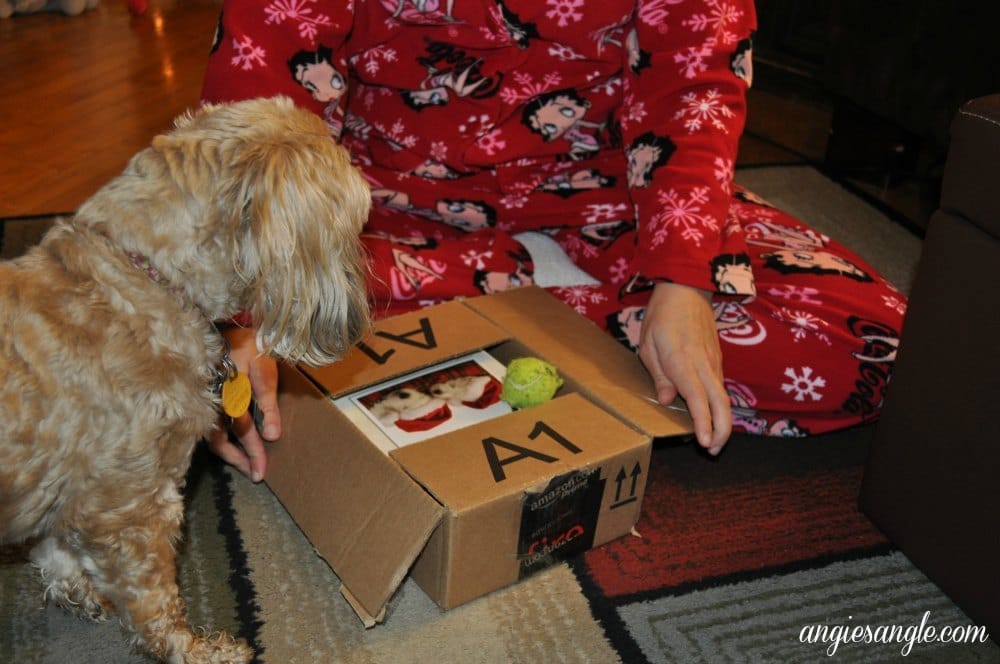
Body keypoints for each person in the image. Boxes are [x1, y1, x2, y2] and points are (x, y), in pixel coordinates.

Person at [200, 0, 906, 482]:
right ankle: (538, 314)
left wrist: (682, 281)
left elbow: (693, 85)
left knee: (867, 344)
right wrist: (253, 307)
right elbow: (261, 97)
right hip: (384, 204)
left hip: (609, 192)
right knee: (204, 342)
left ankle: (496, 312)